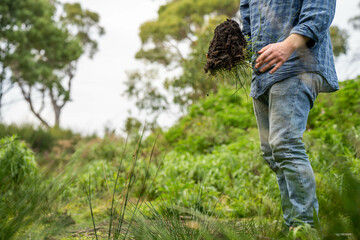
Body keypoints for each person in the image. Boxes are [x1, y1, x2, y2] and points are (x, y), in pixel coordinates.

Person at [239, 0, 338, 229]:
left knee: (285, 144)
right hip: (262, 72)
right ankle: (292, 224)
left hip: (297, 64)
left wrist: (288, 45)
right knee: (272, 153)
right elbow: (247, 20)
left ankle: (304, 227)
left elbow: (320, 9)